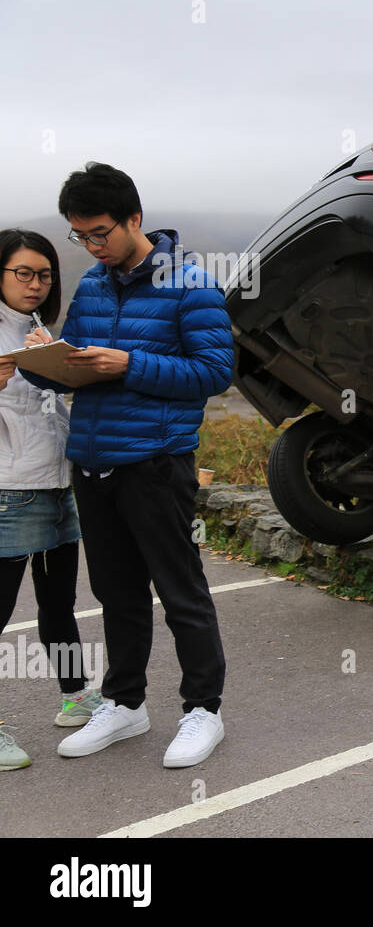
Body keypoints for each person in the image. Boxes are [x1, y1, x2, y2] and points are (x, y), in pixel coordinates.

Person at [20, 162, 234, 768]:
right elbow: (75, 365)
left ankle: (203, 711)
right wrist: (35, 361)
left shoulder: (192, 285)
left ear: (134, 219)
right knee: (116, 592)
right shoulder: (92, 285)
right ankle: (125, 703)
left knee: (180, 590)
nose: (92, 246)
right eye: (80, 235)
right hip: (92, 461)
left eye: (100, 233)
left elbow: (215, 373)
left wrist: (129, 365)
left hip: (155, 463)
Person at [0, 229, 100, 771]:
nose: (35, 284)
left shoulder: (36, 329)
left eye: (44, 275)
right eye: (23, 273)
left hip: (56, 483)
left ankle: (76, 696)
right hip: (9, 491)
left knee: (59, 604)